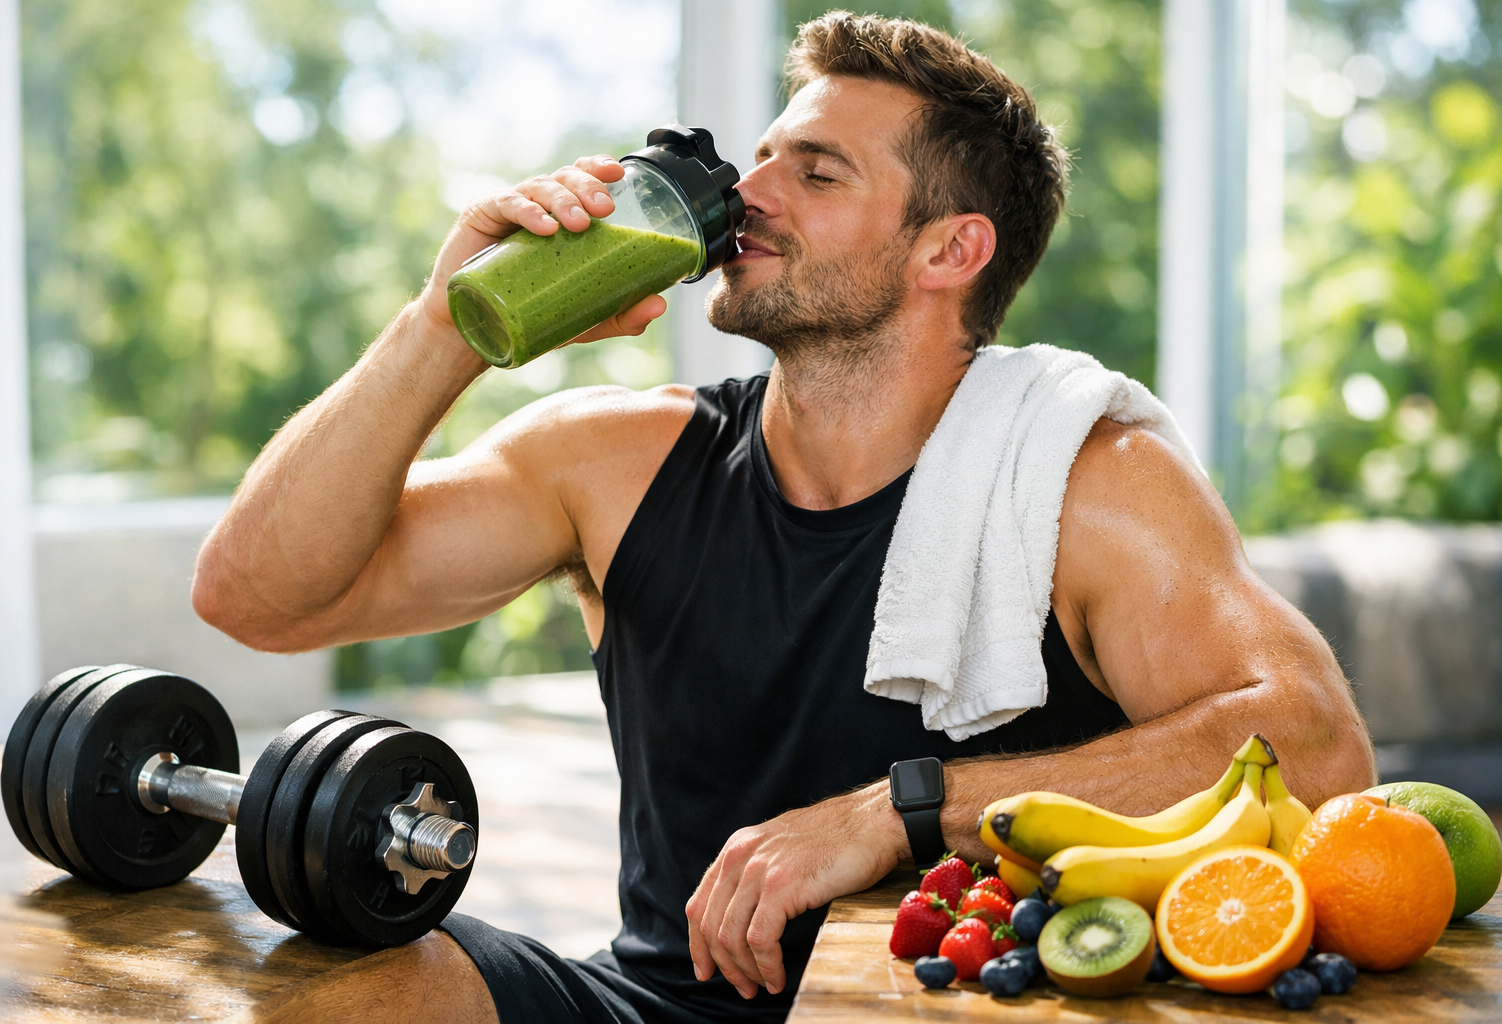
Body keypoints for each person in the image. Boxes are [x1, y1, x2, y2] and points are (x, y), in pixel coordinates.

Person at [192, 12, 1374, 1024]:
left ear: (950, 249)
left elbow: (1317, 751)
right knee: (352, 981)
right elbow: (258, 596)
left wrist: (898, 813)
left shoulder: (1086, 478)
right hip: (655, 1001)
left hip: (956, 1002)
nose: (748, 195)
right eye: (761, 160)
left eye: (816, 171)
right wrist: (443, 321)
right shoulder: (616, 459)